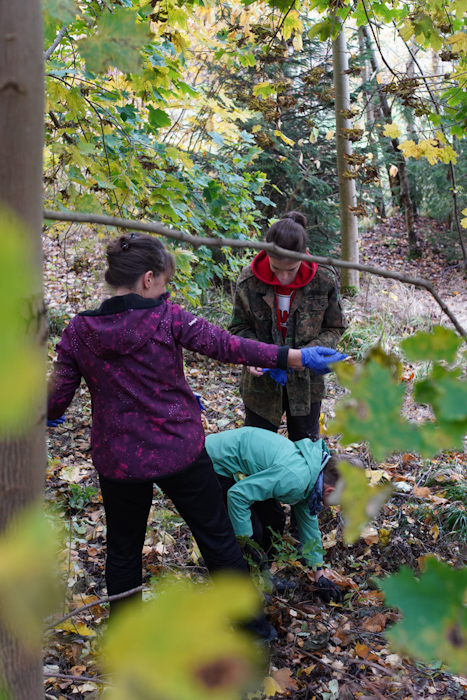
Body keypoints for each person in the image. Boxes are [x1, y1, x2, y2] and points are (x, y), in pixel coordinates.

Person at [47, 232, 308, 640]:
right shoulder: (168, 317)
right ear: (148, 278)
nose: (165, 291)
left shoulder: (81, 330)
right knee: (217, 536)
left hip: (119, 460)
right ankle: (252, 629)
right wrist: (294, 357)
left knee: (122, 550)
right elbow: (228, 346)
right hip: (179, 452)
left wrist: (48, 414)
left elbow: (56, 397)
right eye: (165, 282)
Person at [206, 427, 363, 603]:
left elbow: (308, 523)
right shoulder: (296, 480)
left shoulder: (315, 473)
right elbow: (237, 495)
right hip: (218, 463)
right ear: (330, 491)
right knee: (254, 532)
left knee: (275, 520)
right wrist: (246, 542)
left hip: (246, 468)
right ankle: (248, 585)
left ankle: (263, 576)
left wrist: (319, 573)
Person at [228, 211, 347, 442]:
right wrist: (254, 355)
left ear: (304, 255)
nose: (283, 277)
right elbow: (238, 328)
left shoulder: (324, 279)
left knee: (305, 450)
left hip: (307, 386)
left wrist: (308, 354)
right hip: (261, 385)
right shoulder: (248, 281)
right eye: (276, 268)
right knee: (257, 449)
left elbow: (335, 327)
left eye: (291, 270)